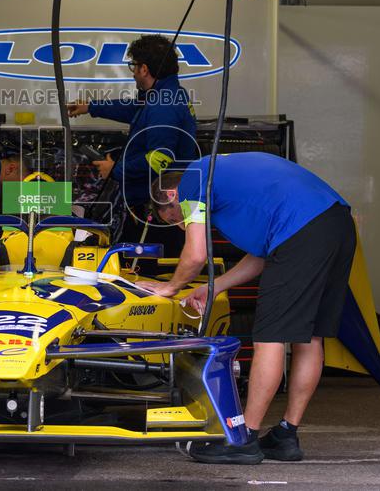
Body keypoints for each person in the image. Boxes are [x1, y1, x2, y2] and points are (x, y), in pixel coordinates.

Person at [139, 152, 355, 464]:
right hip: (336, 223)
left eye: (175, 218)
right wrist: (213, 288)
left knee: (270, 337)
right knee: (310, 337)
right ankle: (285, 435)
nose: (181, 225)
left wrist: (170, 287)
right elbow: (265, 254)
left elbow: (196, 253)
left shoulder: (192, 181)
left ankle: (244, 438)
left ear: (171, 195)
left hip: (302, 229)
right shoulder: (227, 177)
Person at [66, 33, 198, 254]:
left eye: (133, 66)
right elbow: (133, 109)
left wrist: (115, 169)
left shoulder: (162, 106)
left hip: (160, 209)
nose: (133, 72)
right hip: (161, 203)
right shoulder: (165, 94)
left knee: (147, 271)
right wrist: (91, 107)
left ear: (144, 69)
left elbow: (160, 160)